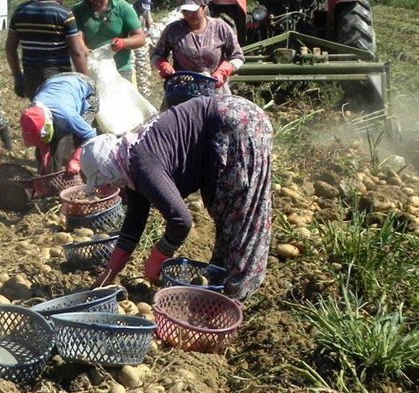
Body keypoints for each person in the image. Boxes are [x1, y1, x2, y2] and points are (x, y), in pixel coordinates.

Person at [80, 95, 274, 300]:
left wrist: (158, 256)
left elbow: (181, 221)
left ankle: (235, 296)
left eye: (102, 182)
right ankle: (219, 284)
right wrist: (109, 274)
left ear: (107, 170)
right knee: (225, 212)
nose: (106, 188)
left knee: (240, 215)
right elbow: (133, 225)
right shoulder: (129, 162)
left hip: (235, 124)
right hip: (227, 119)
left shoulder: (142, 165)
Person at [5, 0, 89, 100]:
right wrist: (87, 83)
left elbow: (10, 48)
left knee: (40, 117)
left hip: (31, 79)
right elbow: (77, 52)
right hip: (59, 80)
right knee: (59, 117)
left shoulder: (20, 11)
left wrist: (18, 77)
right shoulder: (64, 14)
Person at [151, 0, 243, 103]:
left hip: (216, 92)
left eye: (193, 11)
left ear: (203, 6)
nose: (189, 15)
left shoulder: (220, 27)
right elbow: (156, 55)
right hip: (183, 91)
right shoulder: (173, 30)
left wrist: (222, 72)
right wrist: (163, 65)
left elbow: (237, 56)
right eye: (185, 11)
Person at [72, 0, 146, 82]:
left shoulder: (122, 7)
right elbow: (78, 38)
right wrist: (88, 53)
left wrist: (123, 43)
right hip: (93, 71)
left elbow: (140, 38)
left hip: (120, 71)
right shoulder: (78, 11)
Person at [19, 73, 98, 175]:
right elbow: (41, 138)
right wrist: (45, 158)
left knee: (79, 140)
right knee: (53, 141)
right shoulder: (32, 110)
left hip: (85, 86)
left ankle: (85, 178)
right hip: (52, 82)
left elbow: (91, 136)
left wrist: (76, 160)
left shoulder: (67, 116)